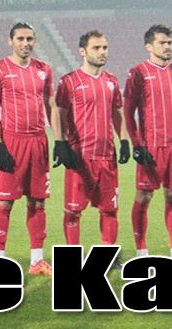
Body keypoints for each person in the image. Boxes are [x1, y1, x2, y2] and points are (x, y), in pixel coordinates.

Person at [122, 25, 172, 261]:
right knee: (144, 197)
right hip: (151, 146)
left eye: (169, 43)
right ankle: (141, 250)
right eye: (162, 43)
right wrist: (137, 144)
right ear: (149, 46)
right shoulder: (138, 72)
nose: (167, 47)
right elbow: (128, 111)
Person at [54, 30, 130, 268]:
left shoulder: (111, 81)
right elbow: (58, 112)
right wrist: (60, 142)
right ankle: (72, 258)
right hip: (80, 157)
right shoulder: (69, 81)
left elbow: (116, 112)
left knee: (109, 210)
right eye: (96, 48)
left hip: (107, 156)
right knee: (73, 211)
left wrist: (124, 140)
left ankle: (107, 256)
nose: (102, 52)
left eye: (104, 47)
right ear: (82, 51)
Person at [0, 22, 55, 275]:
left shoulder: (44, 69)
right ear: (10, 41)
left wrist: (59, 140)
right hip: (12, 142)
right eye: (21, 39)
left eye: (30, 39)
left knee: (37, 201)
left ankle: (37, 261)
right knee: (5, 202)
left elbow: (50, 106)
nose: (26, 43)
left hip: (38, 141)